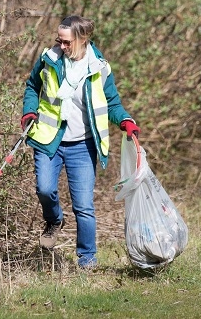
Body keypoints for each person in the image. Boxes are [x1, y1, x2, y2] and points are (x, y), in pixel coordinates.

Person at [21, 15, 140, 269]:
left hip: (82, 146)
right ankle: (54, 220)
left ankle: (87, 259)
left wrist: (125, 121)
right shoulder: (48, 60)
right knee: (44, 189)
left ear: (82, 39)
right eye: (59, 41)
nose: (61, 47)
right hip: (49, 139)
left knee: (84, 207)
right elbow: (32, 86)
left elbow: (112, 104)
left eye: (67, 42)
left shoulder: (98, 68)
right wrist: (29, 112)